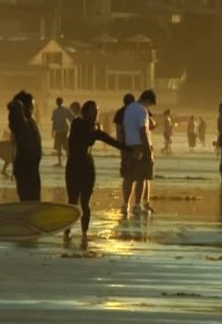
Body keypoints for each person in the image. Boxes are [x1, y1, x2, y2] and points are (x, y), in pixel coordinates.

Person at [64, 100, 125, 238]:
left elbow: (112, 141)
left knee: (85, 203)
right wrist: (97, 132)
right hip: (74, 167)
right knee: (73, 201)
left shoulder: (95, 129)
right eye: (92, 111)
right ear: (85, 112)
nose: (95, 114)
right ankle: (67, 231)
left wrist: (130, 149)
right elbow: (86, 137)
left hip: (87, 167)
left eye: (96, 112)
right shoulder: (77, 124)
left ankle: (84, 233)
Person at [117, 89, 158, 217]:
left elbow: (122, 128)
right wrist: (147, 149)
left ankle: (125, 204)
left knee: (128, 177)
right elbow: (143, 130)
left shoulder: (128, 109)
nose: (149, 107)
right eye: (150, 104)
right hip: (140, 146)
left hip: (128, 146)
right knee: (141, 177)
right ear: (147, 100)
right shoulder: (142, 110)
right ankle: (137, 205)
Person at [8, 92, 43, 202]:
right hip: (25, 167)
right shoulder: (20, 122)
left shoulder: (30, 121)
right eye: (31, 105)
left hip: (33, 167)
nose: (33, 108)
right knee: (28, 197)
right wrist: (17, 105)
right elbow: (15, 117)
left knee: (34, 197)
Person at [51, 97, 73, 164]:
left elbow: (54, 121)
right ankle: (69, 161)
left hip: (59, 130)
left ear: (56, 102)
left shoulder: (55, 111)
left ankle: (60, 161)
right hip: (65, 130)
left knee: (59, 147)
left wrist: (52, 130)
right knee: (66, 147)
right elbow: (71, 118)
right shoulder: (66, 110)